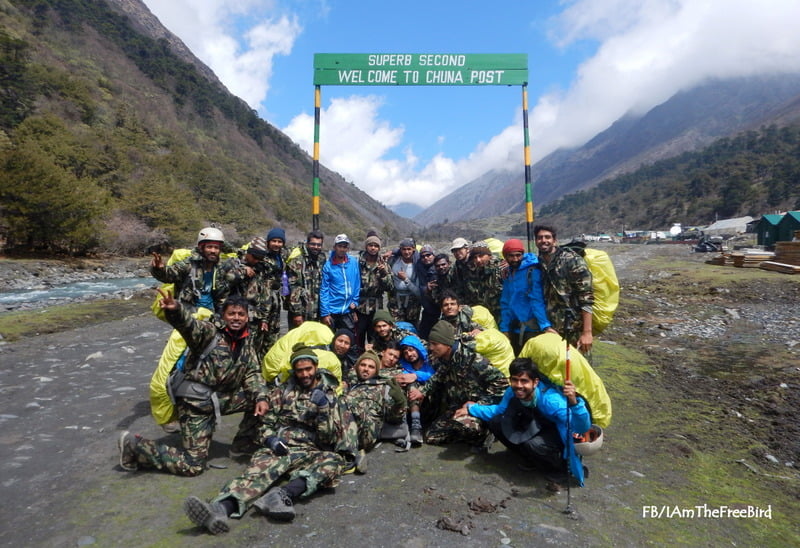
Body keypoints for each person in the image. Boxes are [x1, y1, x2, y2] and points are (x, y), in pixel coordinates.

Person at [181, 344, 358, 534]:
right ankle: (220, 509)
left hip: (309, 451)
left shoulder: (330, 397)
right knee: (257, 473)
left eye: (309, 369)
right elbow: (264, 426)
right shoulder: (281, 391)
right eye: (300, 370)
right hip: (280, 446)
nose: (305, 374)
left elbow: (328, 438)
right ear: (294, 371)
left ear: (316, 367)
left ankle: (282, 496)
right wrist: (271, 440)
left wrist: (323, 410)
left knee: (333, 463)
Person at [118, 291, 268, 476]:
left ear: (247, 317)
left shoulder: (247, 341)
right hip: (196, 403)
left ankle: (242, 444)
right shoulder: (209, 333)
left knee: (269, 397)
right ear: (223, 316)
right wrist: (176, 310)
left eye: (241, 314)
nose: (236, 318)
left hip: (221, 398)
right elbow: (189, 325)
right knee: (193, 465)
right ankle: (136, 446)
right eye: (231, 314)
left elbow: (252, 373)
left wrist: (261, 397)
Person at [455, 357, 590, 486]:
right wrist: (472, 408)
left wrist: (574, 402)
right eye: (515, 380)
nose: (519, 386)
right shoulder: (511, 392)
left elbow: (581, 427)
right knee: (496, 422)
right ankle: (530, 458)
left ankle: (558, 468)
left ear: (535, 382)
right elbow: (499, 411)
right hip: (536, 425)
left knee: (534, 444)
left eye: (524, 381)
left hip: (556, 435)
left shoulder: (552, 401)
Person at [408, 321, 508, 447]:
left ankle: (487, 430)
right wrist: (423, 391)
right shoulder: (446, 357)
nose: (431, 348)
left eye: (435, 344)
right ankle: (464, 428)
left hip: (475, 408)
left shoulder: (472, 359)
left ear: (447, 345)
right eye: (430, 344)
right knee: (431, 436)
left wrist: (478, 405)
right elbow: (440, 375)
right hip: (457, 404)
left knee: (468, 427)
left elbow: (502, 383)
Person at [534, 225, 594, 353]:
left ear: (554, 240)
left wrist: (587, 332)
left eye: (547, 237)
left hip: (572, 329)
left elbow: (586, 297)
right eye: (539, 238)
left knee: (574, 369)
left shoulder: (571, 260)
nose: (543, 240)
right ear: (535, 241)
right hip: (549, 329)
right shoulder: (539, 263)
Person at [150, 226, 229, 314]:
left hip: (213, 314)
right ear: (201, 248)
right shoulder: (189, 265)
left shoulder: (221, 268)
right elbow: (168, 275)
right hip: (190, 315)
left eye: (216, 248)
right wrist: (158, 269)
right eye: (209, 247)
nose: (213, 251)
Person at [223, 236, 277, 360]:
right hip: (235, 315)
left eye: (261, 259)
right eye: (255, 258)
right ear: (249, 253)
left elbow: (266, 294)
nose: (258, 261)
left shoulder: (262, 268)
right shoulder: (234, 263)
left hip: (255, 318)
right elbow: (227, 278)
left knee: (253, 352)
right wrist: (243, 270)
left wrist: (264, 319)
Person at [343, 350, 407, 452]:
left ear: (376, 370)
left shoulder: (382, 387)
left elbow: (394, 419)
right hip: (345, 425)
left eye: (371, 367)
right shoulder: (352, 384)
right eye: (363, 365)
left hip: (366, 431)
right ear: (357, 367)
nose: (366, 369)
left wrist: (399, 403)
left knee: (345, 402)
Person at [498, 238, 554, 355]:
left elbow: (536, 300)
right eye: (511, 256)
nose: (515, 259)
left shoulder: (533, 271)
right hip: (515, 329)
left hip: (532, 330)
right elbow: (506, 302)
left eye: (518, 255)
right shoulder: (509, 273)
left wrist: (545, 326)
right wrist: (505, 329)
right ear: (505, 257)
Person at [396, 335, 435, 445]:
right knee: (411, 385)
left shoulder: (429, 361)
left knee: (413, 381)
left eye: (411, 350)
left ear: (417, 348)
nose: (409, 354)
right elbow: (402, 376)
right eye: (405, 353)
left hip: (431, 399)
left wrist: (416, 375)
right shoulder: (404, 365)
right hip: (412, 403)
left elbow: (435, 375)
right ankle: (415, 426)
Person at [355, 234, 393, 347]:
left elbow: (390, 287)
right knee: (358, 336)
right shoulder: (358, 263)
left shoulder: (383, 264)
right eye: (370, 245)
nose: (373, 248)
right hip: (360, 307)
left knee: (375, 337)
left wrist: (383, 274)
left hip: (376, 307)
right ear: (366, 246)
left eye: (376, 246)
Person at [319, 234, 361, 333]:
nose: (342, 249)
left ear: (348, 248)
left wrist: (355, 301)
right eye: (339, 246)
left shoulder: (353, 262)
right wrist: (325, 313)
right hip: (332, 311)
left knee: (347, 341)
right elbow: (324, 290)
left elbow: (357, 283)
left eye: (345, 246)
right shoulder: (328, 266)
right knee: (329, 341)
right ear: (335, 247)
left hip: (347, 310)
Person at [286, 230, 326, 327]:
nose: (316, 247)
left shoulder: (321, 259)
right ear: (307, 244)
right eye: (313, 244)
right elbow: (293, 287)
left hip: (316, 312)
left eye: (319, 245)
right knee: (298, 341)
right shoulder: (297, 260)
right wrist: (297, 313)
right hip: (301, 312)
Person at [261, 227, 289, 348]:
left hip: (277, 299)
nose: (277, 244)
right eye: (274, 241)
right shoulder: (263, 257)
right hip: (264, 298)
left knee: (275, 332)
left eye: (279, 241)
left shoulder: (282, 256)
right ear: (268, 242)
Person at [461, 241, 503, 321]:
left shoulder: (501, 268)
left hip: (502, 316)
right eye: (475, 257)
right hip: (485, 317)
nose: (478, 260)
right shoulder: (474, 272)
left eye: (481, 256)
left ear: (489, 255)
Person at [388, 238, 422, 327]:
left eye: (409, 249)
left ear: (413, 249)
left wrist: (406, 279)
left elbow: (418, 292)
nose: (406, 252)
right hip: (396, 300)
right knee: (397, 327)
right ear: (400, 249)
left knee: (412, 327)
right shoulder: (393, 261)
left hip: (413, 301)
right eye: (404, 249)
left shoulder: (418, 265)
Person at [416, 244, 439, 340]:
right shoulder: (419, 265)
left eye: (428, 255)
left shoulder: (439, 265)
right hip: (427, 308)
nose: (426, 258)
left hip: (440, 309)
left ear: (433, 255)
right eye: (423, 256)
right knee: (423, 335)